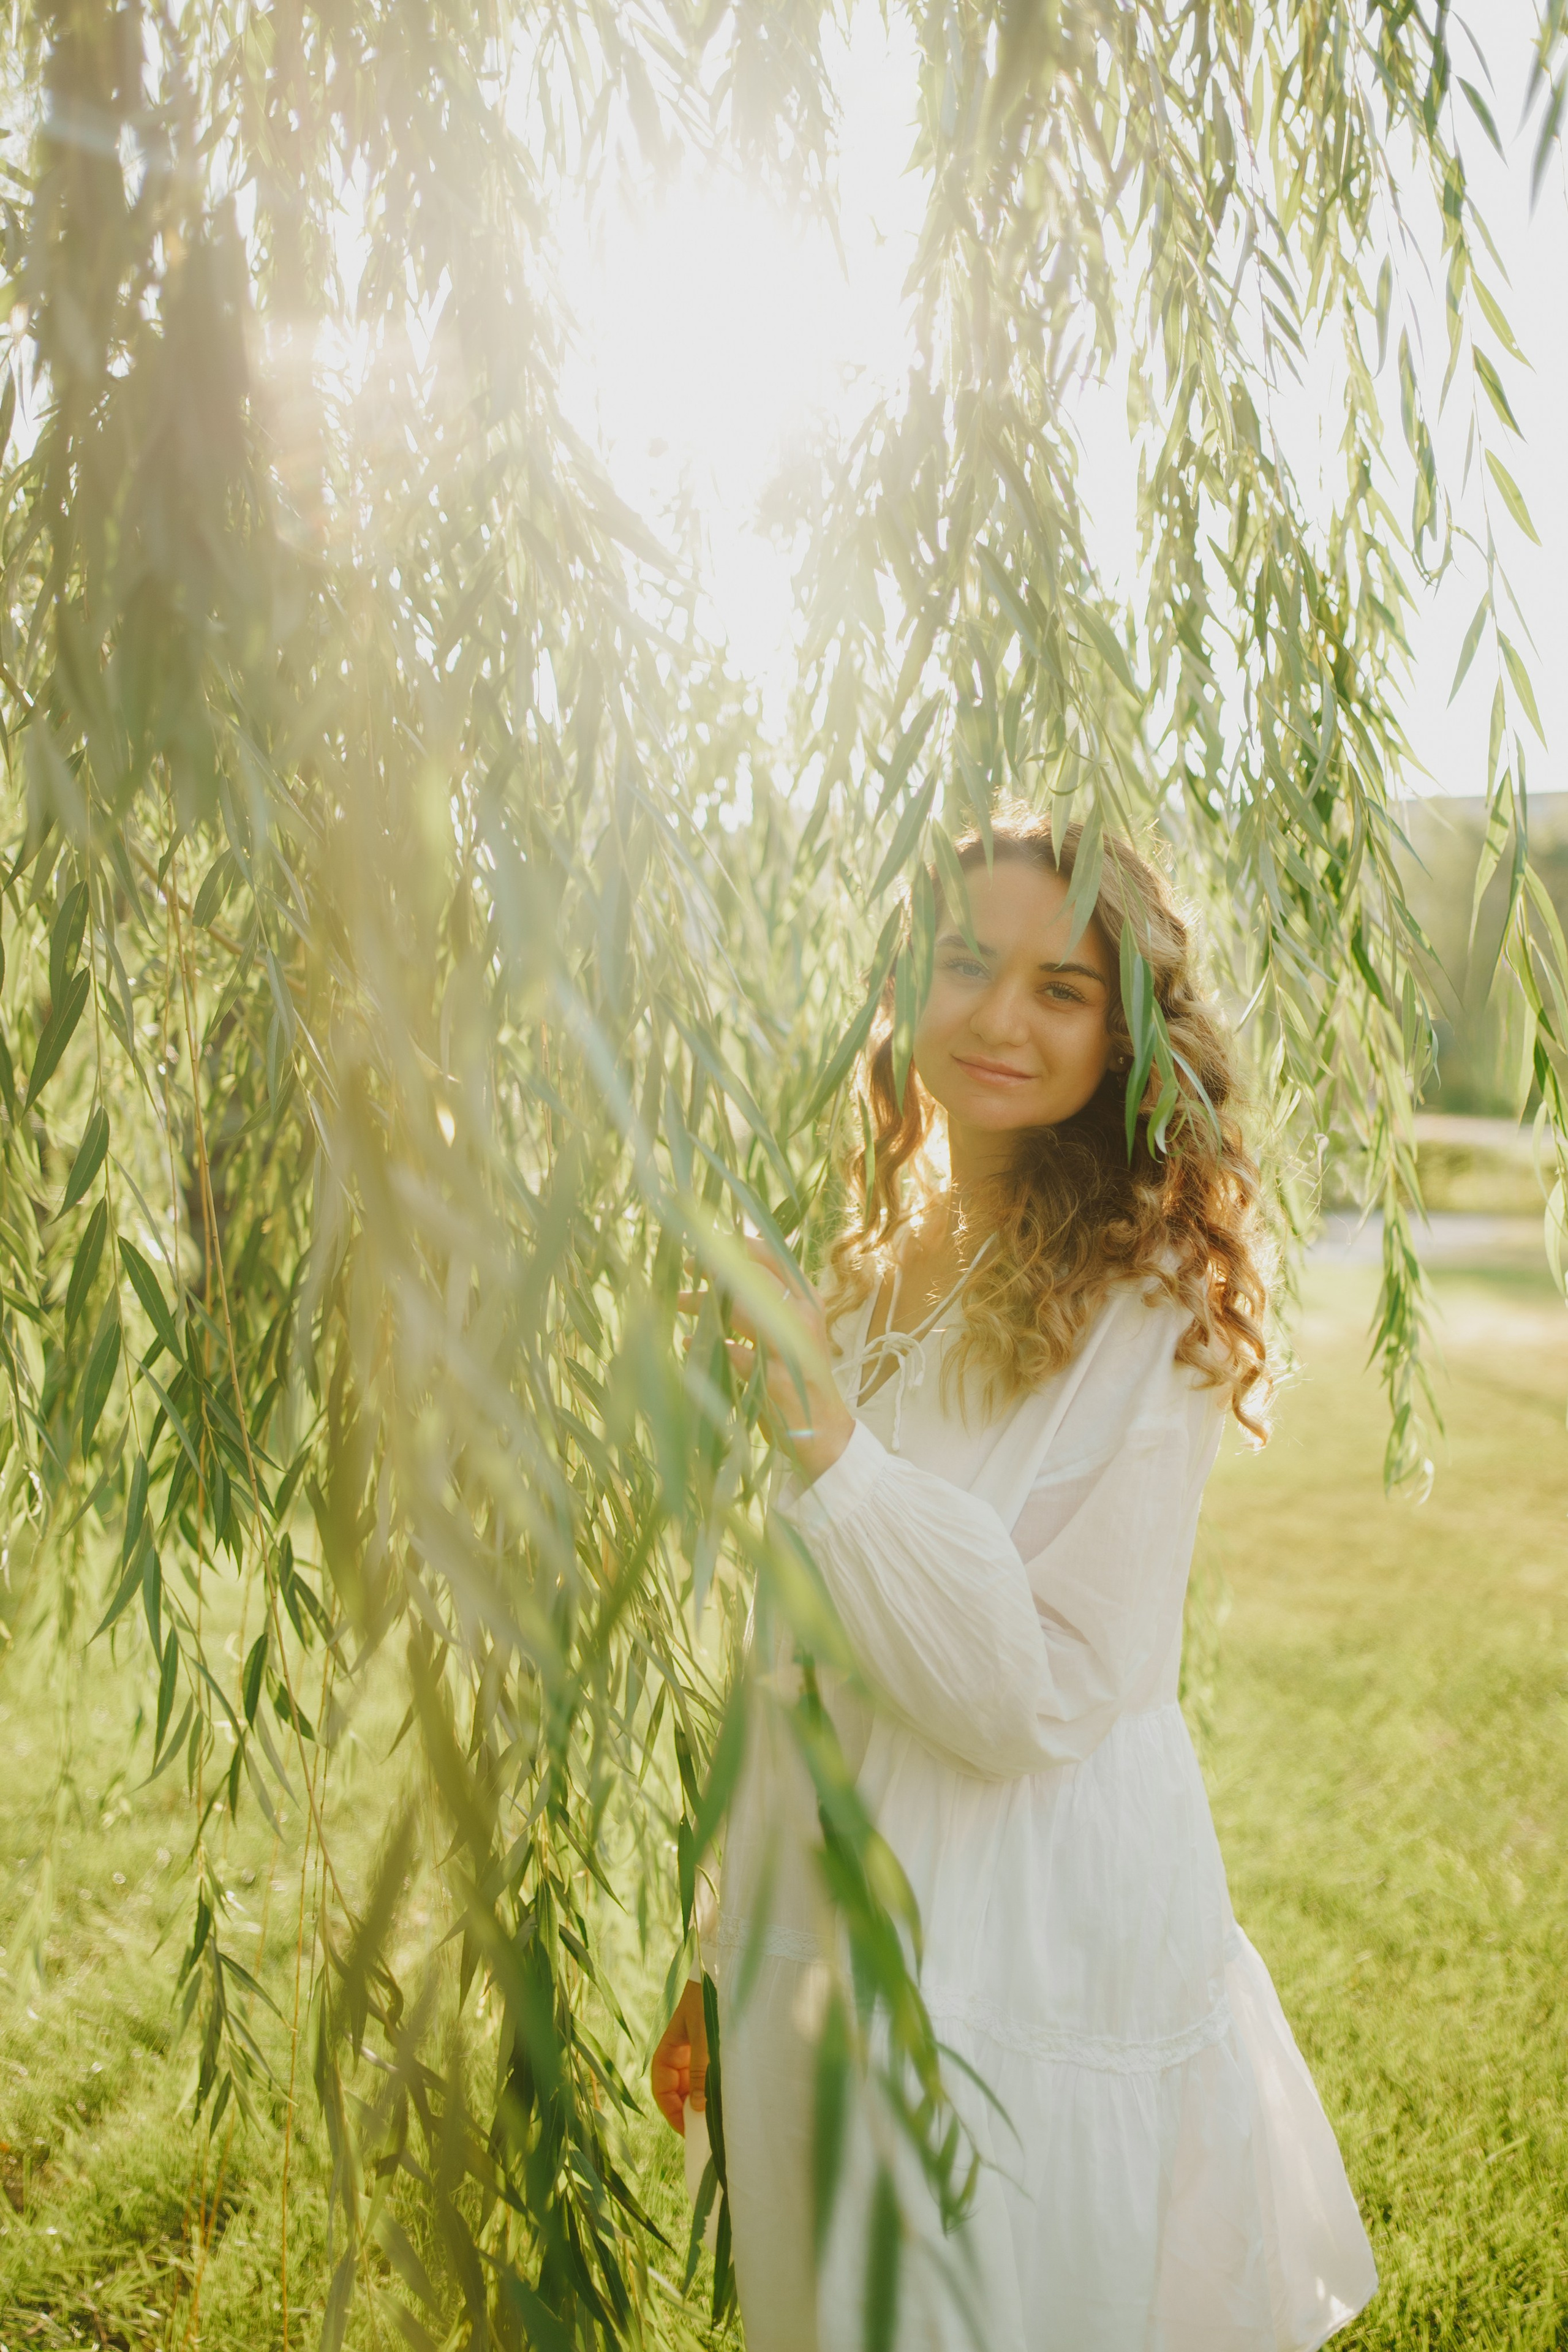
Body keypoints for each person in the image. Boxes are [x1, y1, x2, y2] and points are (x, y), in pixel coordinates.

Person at [652, 808, 1378, 2352]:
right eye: (964, 963)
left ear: (1124, 1035)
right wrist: (724, 1947)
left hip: (1017, 1925)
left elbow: (1037, 1690)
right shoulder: (868, 1262)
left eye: (1059, 988)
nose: (997, 1017)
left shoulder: (1153, 1297)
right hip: (820, 1907)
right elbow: (799, 1651)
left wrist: (825, 1439)